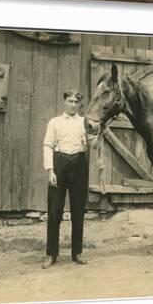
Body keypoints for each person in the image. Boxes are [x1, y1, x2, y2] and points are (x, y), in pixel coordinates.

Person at [41, 89, 89, 269]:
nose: (73, 105)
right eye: (70, 101)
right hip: (59, 163)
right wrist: (50, 170)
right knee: (54, 211)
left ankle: (77, 252)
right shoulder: (55, 122)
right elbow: (47, 145)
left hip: (79, 163)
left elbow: (90, 143)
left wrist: (96, 133)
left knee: (78, 209)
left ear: (80, 104)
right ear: (64, 102)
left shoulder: (84, 122)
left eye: (76, 102)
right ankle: (51, 254)